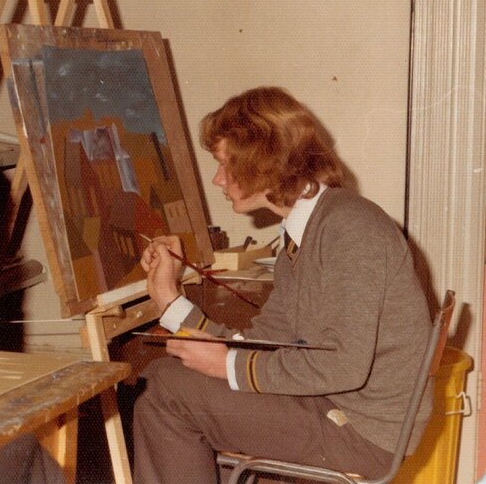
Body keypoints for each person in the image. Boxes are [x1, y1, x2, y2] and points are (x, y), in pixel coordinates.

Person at [132, 86, 432, 482]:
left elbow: (344, 364)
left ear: (263, 162)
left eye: (225, 163)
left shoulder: (350, 228)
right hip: (342, 407)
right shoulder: (306, 232)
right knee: (161, 378)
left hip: (365, 432)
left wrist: (227, 365)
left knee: (169, 394)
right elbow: (264, 342)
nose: (217, 178)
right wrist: (170, 303)